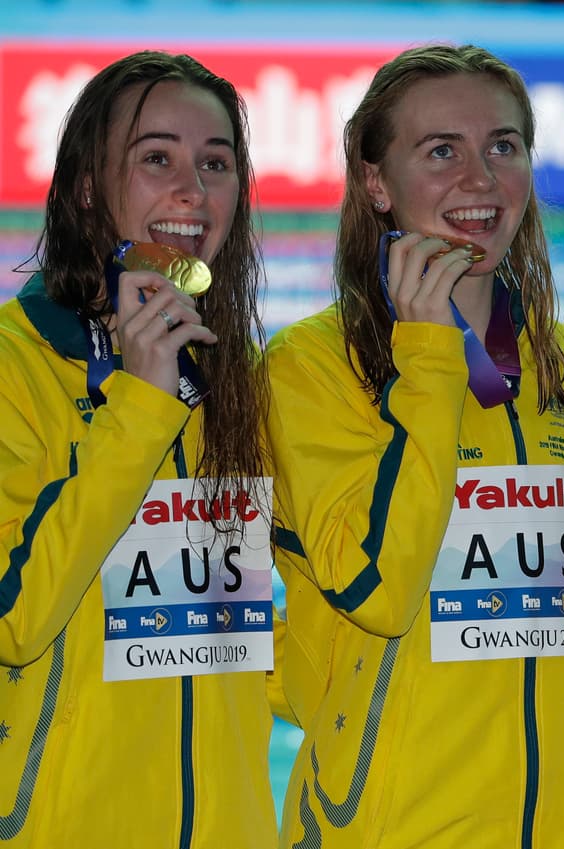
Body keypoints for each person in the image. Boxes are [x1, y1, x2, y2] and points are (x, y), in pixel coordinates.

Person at [267, 44, 564, 848]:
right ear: (376, 183)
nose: (482, 179)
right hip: (388, 826)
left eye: (503, 146)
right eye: (441, 151)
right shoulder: (311, 370)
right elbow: (377, 588)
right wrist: (426, 359)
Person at [0, 52, 276, 847]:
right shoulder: (17, 367)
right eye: (157, 158)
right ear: (88, 187)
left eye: (215, 162)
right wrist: (141, 404)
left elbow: (258, 624)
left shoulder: (235, 378)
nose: (193, 188)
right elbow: (15, 617)